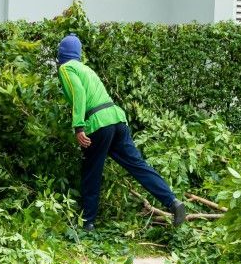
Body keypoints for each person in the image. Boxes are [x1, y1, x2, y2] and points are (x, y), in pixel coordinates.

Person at [55, 33, 186, 231]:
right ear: (78, 53)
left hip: (99, 124)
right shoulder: (86, 69)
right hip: (117, 119)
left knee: (92, 172)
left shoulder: (67, 67)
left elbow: (79, 95)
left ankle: (87, 223)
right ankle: (172, 201)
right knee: (138, 165)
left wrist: (78, 127)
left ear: (61, 53)